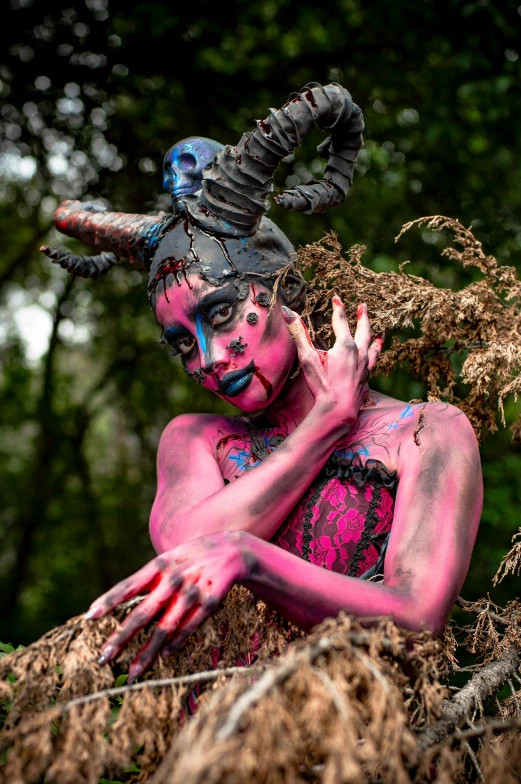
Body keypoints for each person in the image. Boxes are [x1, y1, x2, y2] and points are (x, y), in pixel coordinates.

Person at [43, 82, 482, 684]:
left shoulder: (427, 433)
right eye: (181, 344)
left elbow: (416, 619)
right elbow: (184, 545)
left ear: (286, 293)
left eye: (221, 315)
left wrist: (249, 556)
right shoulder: (197, 440)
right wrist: (327, 425)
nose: (208, 360)